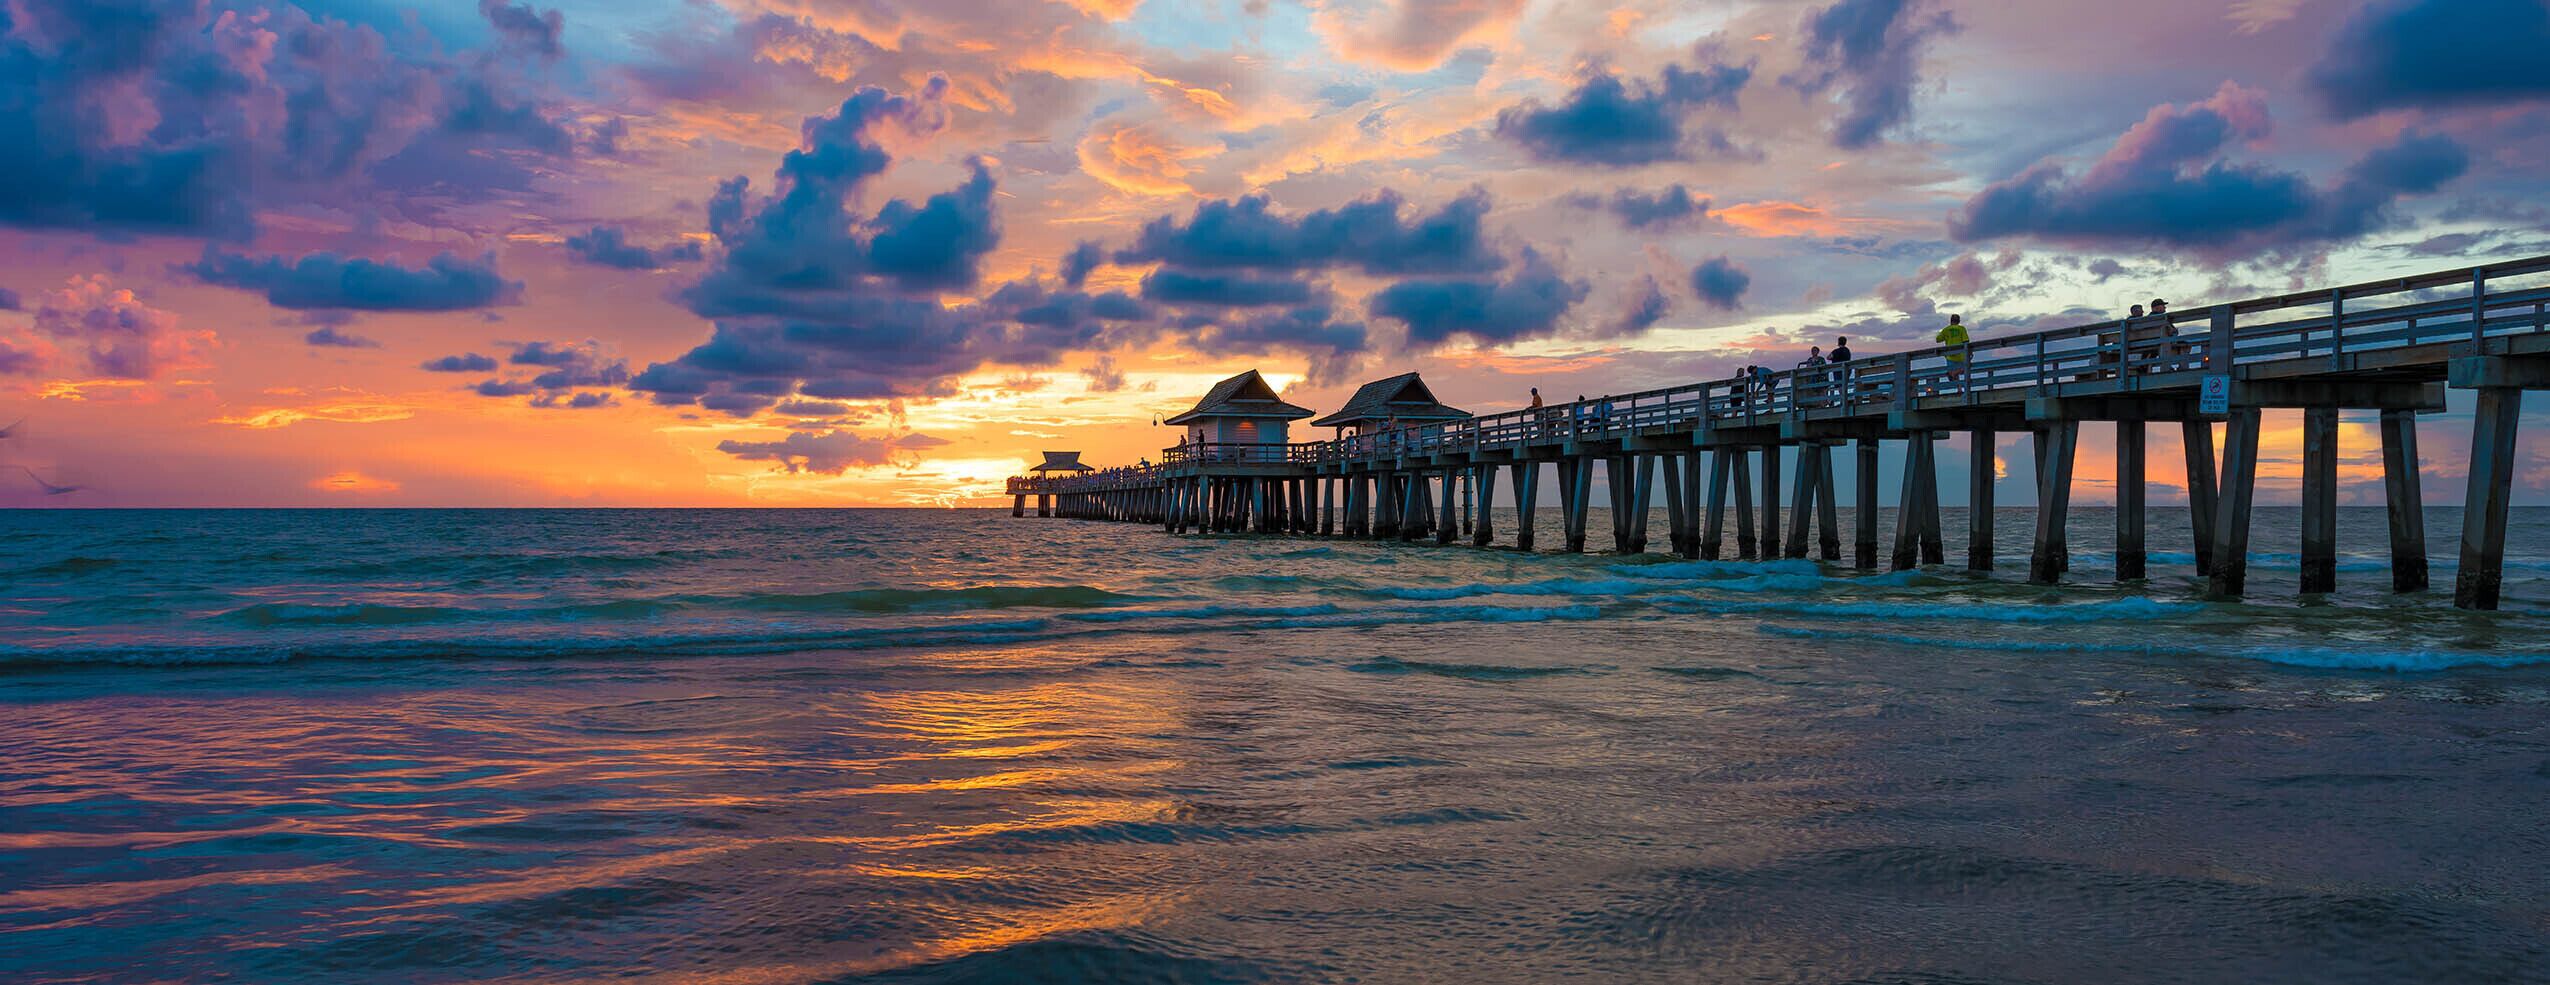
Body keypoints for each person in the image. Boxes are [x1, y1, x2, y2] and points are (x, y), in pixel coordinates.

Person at [1934, 314, 1968, 389]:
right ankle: (1954, 376)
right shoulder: (1962, 328)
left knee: (1954, 371)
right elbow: (1966, 341)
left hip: (1950, 355)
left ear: (1950, 321)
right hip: (1961, 354)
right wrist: (1970, 352)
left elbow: (1938, 339)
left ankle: (1959, 388)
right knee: (1965, 367)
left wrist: (1942, 333)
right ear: (1959, 321)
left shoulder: (1946, 329)